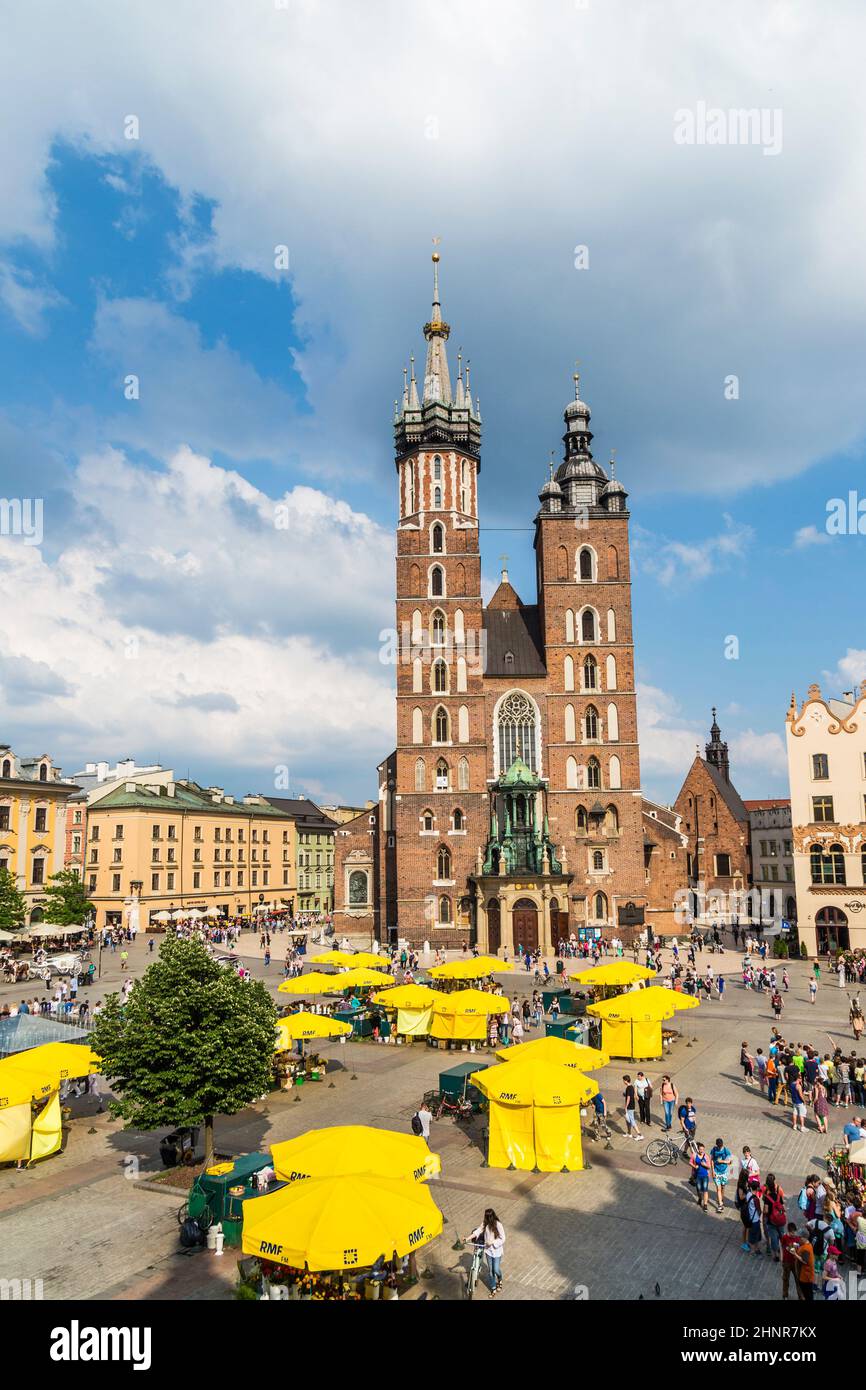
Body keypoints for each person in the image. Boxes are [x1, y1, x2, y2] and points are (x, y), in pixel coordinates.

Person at [466, 1209, 505, 1297]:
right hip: (488, 1251)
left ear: (492, 1217)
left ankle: (500, 1279)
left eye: (488, 1217)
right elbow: (478, 1231)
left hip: (497, 1251)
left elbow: (503, 1238)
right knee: (491, 1271)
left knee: (496, 1269)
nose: (486, 1218)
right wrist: (467, 1238)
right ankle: (493, 1288)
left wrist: (493, 1242)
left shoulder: (498, 1225)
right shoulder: (485, 1223)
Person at [762, 1173, 786, 1260]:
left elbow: (766, 1211)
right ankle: (783, 1252)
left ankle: (775, 1254)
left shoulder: (767, 1197)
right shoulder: (778, 1195)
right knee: (781, 1235)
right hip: (780, 1220)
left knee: (773, 1237)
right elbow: (783, 1207)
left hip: (771, 1221)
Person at [709, 1137, 733, 1213]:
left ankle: (721, 1199)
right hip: (716, 1172)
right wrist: (712, 1171)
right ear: (716, 1145)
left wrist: (722, 1161)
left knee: (722, 1187)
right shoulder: (713, 1150)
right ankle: (720, 1205)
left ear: (722, 1144)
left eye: (720, 1146)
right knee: (718, 1189)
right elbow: (712, 1160)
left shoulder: (726, 1151)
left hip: (724, 1172)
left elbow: (730, 1162)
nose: (719, 1147)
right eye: (718, 1146)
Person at [792, 1229, 816, 1300]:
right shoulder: (807, 1244)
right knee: (808, 1294)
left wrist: (795, 1254)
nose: (798, 1239)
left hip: (806, 1276)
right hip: (805, 1274)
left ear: (804, 1238)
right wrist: (798, 1246)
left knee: (807, 1294)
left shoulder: (806, 1248)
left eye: (799, 1237)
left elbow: (804, 1261)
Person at [780, 1223, 802, 1300]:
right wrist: (781, 1256)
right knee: (786, 1279)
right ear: (788, 1232)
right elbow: (781, 1245)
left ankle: (800, 1296)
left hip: (795, 1262)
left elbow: (800, 1248)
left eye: (795, 1232)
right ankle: (785, 1295)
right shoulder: (784, 1237)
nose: (794, 1234)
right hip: (786, 1262)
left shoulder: (798, 1238)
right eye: (792, 1232)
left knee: (798, 1280)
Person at [690, 1142, 711, 1209]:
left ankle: (705, 1205)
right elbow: (690, 1162)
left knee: (705, 1190)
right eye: (700, 1149)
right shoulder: (694, 1155)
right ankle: (700, 1198)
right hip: (697, 1176)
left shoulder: (706, 1156)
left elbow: (709, 1167)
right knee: (699, 1190)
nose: (701, 1151)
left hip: (705, 1176)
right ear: (698, 1149)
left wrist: (705, 1165)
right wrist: (694, 1166)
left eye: (702, 1149)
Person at [622, 1075, 643, 1140]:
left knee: (631, 1120)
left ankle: (639, 1134)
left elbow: (628, 1098)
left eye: (623, 1080)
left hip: (629, 1106)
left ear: (625, 1081)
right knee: (627, 1120)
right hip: (632, 1105)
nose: (623, 1081)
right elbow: (632, 1096)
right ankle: (629, 1133)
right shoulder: (631, 1087)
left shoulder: (628, 1088)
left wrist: (625, 1106)